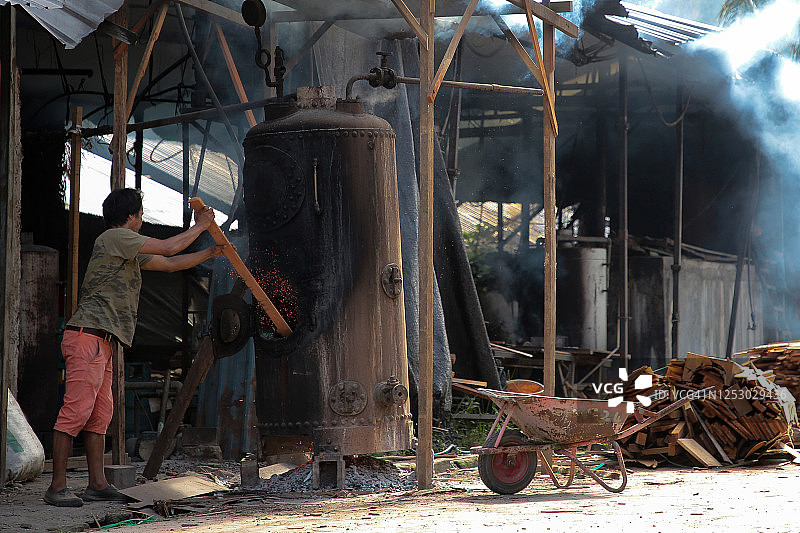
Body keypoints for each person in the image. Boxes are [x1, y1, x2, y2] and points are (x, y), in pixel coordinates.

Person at [44, 188, 226, 507]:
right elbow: (170, 247)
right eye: (140, 215)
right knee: (75, 412)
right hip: (88, 336)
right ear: (131, 216)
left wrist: (209, 254)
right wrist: (200, 225)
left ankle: (97, 484)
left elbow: (169, 264)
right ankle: (57, 487)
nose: (142, 220)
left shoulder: (124, 248)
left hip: (103, 339)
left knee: (100, 415)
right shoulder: (116, 237)